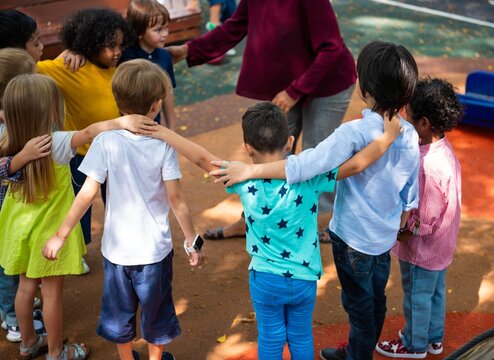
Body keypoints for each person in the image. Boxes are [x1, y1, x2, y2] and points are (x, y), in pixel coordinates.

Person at [209, 41, 421, 360]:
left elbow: (305, 165)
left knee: (358, 305)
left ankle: (357, 354)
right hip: (384, 236)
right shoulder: (410, 134)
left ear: (364, 88)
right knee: (376, 299)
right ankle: (359, 348)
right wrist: (405, 213)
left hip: (352, 239)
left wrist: (252, 170)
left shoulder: (353, 133)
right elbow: (410, 184)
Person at [149, 100, 400, 359]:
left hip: (265, 279)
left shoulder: (243, 178)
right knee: (301, 337)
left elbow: (201, 158)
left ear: (248, 149)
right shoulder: (309, 176)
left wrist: (163, 132)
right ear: (289, 142)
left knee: (270, 338)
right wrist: (389, 137)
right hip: (303, 278)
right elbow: (355, 165)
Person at [43, 59, 204, 360]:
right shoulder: (163, 145)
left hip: (116, 251)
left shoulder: (105, 141)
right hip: (154, 252)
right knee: (156, 311)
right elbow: (176, 199)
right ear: (157, 105)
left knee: (119, 313)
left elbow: (86, 194)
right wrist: (191, 240)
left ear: (117, 101)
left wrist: (60, 235)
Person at [167, 0, 357, 241]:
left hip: (328, 83)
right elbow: (234, 27)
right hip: (287, 84)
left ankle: (321, 223)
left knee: (317, 154)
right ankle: (252, 219)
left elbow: (331, 48)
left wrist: (294, 91)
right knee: (270, 152)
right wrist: (189, 50)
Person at [0, 73, 155, 360]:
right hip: (47, 230)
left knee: (24, 288)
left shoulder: (7, 139)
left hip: (19, 228)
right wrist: (122, 121)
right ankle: (57, 352)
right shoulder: (55, 142)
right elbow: (89, 132)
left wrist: (20, 158)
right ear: (49, 110)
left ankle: (28, 342)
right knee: (51, 294)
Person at [36, 8, 132, 272]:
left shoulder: (119, 69)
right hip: (81, 154)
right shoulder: (68, 68)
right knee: (79, 204)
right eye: (109, 46)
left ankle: (122, 243)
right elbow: (26, 66)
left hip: (115, 152)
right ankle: (77, 249)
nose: (116, 52)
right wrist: (67, 52)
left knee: (118, 199)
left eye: (120, 45)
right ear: (89, 43)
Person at [375, 78, 463, 359]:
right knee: (435, 293)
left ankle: (414, 344)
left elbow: (422, 220)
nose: (403, 119)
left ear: (424, 124)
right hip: (441, 246)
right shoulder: (444, 151)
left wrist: (397, 233)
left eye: (408, 116)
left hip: (421, 250)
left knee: (417, 296)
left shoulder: (426, 166)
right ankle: (433, 338)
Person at [0, 48, 50, 344]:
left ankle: (19, 305)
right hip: (3, 210)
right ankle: (12, 319)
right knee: (8, 268)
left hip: (13, 207)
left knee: (13, 267)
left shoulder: (13, 118)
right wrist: (22, 157)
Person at [122, 0, 177, 129]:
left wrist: (172, 128)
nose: (165, 34)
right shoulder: (125, 57)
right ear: (139, 31)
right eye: (158, 30)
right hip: (126, 128)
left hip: (152, 126)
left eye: (166, 27)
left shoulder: (164, 56)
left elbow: (167, 93)